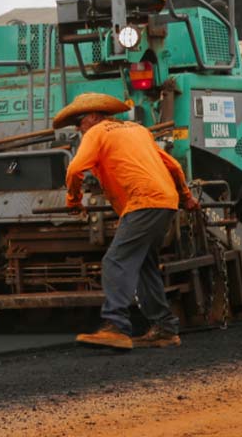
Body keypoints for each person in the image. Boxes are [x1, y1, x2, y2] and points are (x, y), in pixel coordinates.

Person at [56, 93, 200, 350]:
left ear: (91, 117)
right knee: (145, 264)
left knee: (115, 260)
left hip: (143, 202)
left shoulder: (96, 133)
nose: (78, 129)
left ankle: (116, 326)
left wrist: (74, 202)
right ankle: (165, 329)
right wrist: (186, 198)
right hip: (165, 202)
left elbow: (75, 169)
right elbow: (174, 166)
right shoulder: (138, 130)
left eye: (78, 123)